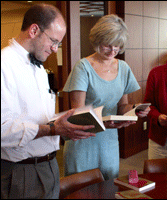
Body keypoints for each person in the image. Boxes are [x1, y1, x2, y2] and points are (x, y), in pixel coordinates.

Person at [1, 4, 96, 199]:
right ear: (34, 30)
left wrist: (69, 124)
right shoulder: (4, 65)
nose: (55, 49)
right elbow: (3, 130)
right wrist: (53, 129)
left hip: (50, 166)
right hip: (20, 173)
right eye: (53, 41)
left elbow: (38, 117)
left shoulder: (39, 68)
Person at [62, 14, 150, 180]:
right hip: (83, 140)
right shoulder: (83, 67)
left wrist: (135, 110)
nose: (112, 50)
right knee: (82, 189)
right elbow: (78, 114)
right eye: (107, 45)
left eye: (117, 46)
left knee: (108, 187)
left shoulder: (123, 68)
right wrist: (103, 122)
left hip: (108, 141)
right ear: (97, 40)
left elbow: (122, 106)